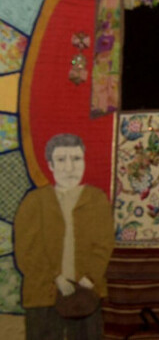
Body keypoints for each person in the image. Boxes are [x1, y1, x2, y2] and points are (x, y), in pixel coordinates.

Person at [14, 133, 115, 339]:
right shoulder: (34, 202)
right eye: (61, 160)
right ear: (50, 165)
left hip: (86, 297)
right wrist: (56, 278)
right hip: (43, 297)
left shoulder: (96, 199)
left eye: (76, 159)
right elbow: (27, 251)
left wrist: (88, 279)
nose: (69, 168)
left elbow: (104, 244)